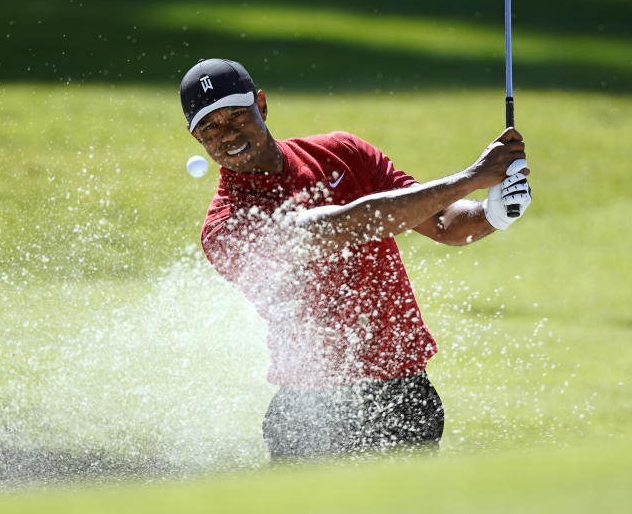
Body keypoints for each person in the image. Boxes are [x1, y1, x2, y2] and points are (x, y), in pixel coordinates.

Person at [179, 58, 532, 459]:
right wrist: (471, 178)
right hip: (312, 415)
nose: (227, 135)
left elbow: (443, 223)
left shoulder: (342, 152)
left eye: (237, 116)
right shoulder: (226, 228)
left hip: (406, 397)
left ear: (261, 104)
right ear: (196, 139)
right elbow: (345, 226)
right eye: (210, 127)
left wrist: (493, 213)